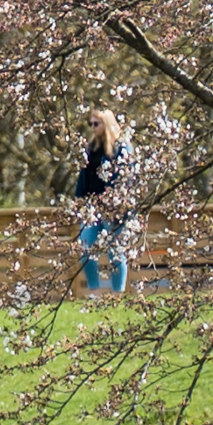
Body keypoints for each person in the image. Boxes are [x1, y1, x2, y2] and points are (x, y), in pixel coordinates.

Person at [69, 108, 134, 294]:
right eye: (90, 124)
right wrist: (79, 201)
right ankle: (95, 290)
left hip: (115, 208)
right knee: (86, 248)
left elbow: (126, 177)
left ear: (106, 124)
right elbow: (83, 177)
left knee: (115, 251)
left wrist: (116, 202)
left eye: (96, 124)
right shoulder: (91, 149)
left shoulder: (121, 148)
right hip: (92, 207)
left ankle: (117, 293)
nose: (92, 127)